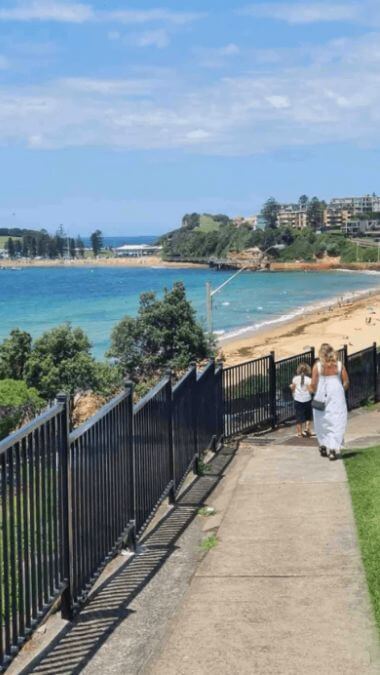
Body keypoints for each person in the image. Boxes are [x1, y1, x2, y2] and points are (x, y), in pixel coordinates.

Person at [309, 343, 349, 461]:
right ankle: (332, 449)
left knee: (322, 421)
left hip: (322, 396)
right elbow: (346, 382)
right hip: (337, 396)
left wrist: (309, 390)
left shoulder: (317, 367)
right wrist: (341, 390)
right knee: (336, 420)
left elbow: (313, 385)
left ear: (321, 354)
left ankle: (323, 445)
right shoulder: (340, 365)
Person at [290, 363, 312, 438]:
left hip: (298, 399)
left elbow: (293, 388)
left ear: (298, 370)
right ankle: (307, 429)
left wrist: (293, 392)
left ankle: (299, 433)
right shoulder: (309, 380)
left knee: (298, 416)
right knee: (308, 416)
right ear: (307, 371)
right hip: (307, 399)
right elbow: (310, 390)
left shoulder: (295, 379)